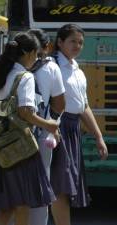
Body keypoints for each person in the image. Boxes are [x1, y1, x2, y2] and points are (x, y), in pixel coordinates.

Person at [0, 33, 57, 225]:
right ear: (27, 53)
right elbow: (25, 112)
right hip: (21, 150)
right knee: (22, 204)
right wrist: (48, 124)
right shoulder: (25, 77)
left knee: (6, 206)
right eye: (36, 54)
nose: (36, 59)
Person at [50, 24, 108, 225]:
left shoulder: (77, 70)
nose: (77, 46)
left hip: (72, 129)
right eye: (73, 41)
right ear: (60, 42)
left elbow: (83, 106)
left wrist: (98, 136)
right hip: (56, 129)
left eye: (81, 42)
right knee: (60, 185)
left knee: (66, 184)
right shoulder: (51, 66)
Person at [26, 28, 66, 225]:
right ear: (46, 47)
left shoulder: (9, 65)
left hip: (10, 136)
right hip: (40, 134)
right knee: (40, 183)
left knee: (14, 185)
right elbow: (60, 104)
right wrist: (52, 124)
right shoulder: (51, 68)